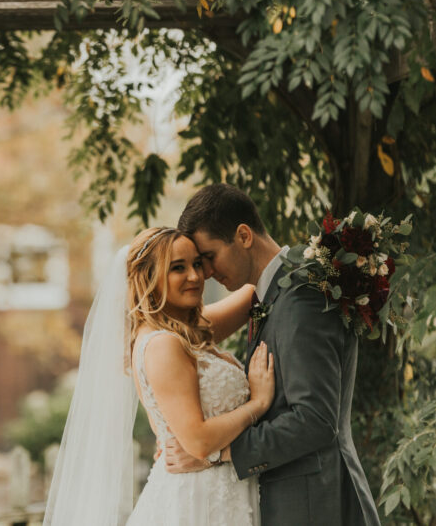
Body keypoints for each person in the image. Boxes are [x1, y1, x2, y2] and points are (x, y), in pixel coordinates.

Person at [165, 183, 380, 526]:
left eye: (208, 257)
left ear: (244, 235)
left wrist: (221, 454)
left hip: (318, 506)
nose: (205, 272)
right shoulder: (275, 294)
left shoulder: (300, 296)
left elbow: (315, 419)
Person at [44, 226, 274, 525]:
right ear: (148, 279)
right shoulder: (163, 344)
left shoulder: (187, 331)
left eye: (197, 264)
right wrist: (258, 404)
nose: (195, 276)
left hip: (222, 492)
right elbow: (199, 441)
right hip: (197, 502)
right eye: (177, 268)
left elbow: (257, 290)